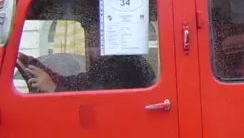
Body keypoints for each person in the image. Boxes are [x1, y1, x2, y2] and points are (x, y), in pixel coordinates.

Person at [18, 51, 156, 93]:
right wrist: (32, 62)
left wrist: (54, 89)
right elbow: (72, 83)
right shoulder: (102, 69)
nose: (90, 48)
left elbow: (96, 105)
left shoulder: (122, 65)